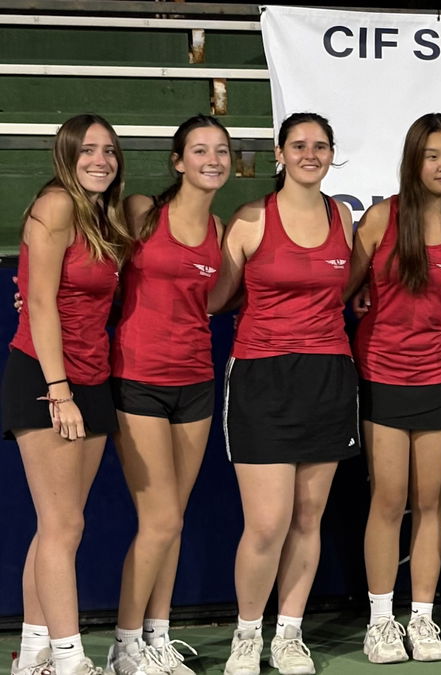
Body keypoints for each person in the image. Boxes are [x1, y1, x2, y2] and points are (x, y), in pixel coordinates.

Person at [209, 112, 359, 675]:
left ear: (331, 154)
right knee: (267, 522)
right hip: (261, 377)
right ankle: (248, 635)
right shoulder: (249, 220)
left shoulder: (342, 215)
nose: (310, 154)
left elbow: (349, 289)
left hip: (328, 376)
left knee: (307, 517)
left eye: (321, 145)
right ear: (279, 153)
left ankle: (289, 633)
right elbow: (214, 298)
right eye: (299, 145)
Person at [346, 113, 441, 663]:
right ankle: (381, 622)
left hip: (439, 376)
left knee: (430, 500)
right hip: (382, 374)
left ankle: (421, 619)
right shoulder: (382, 217)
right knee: (389, 498)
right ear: (413, 162)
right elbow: (339, 288)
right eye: (432, 155)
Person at [100, 115, 231, 675]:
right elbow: (90, 265)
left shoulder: (220, 229)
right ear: (178, 162)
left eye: (222, 151)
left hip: (195, 383)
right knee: (159, 520)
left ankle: (157, 636)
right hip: (138, 381)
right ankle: (124, 646)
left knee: (172, 516)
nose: (213, 159)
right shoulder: (138, 211)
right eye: (200, 150)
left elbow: (217, 299)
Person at [3, 114, 131, 675]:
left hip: (93, 376)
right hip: (48, 378)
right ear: (67, 158)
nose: (100, 160)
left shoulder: (102, 215)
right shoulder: (56, 206)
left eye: (108, 151)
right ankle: (71, 659)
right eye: (88, 152)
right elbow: (39, 302)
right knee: (65, 526)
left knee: (59, 522)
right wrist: (59, 390)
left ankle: (34, 654)